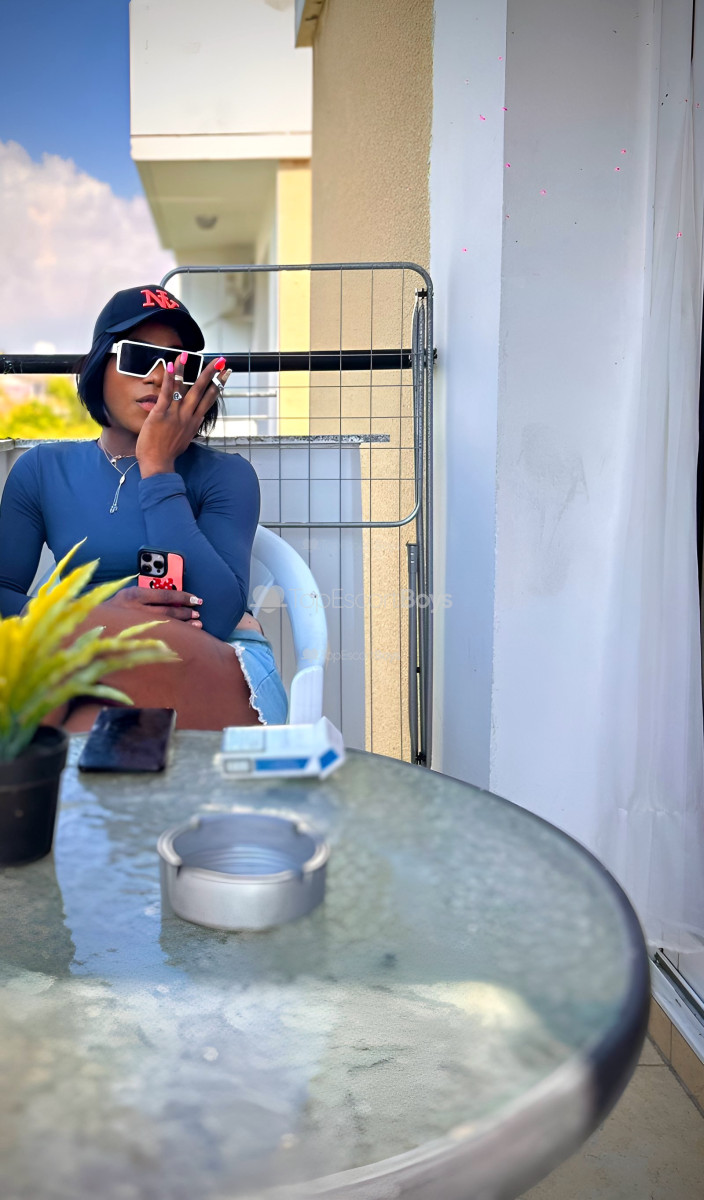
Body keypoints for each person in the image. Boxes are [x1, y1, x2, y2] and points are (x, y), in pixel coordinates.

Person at [0, 284, 288, 732]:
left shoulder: (226, 474)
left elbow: (215, 614)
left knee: (62, 714)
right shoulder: (41, 470)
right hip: (84, 663)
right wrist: (107, 615)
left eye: (178, 363)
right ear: (99, 366)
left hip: (211, 661)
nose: (159, 376)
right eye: (138, 357)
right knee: (84, 731)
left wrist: (157, 468)